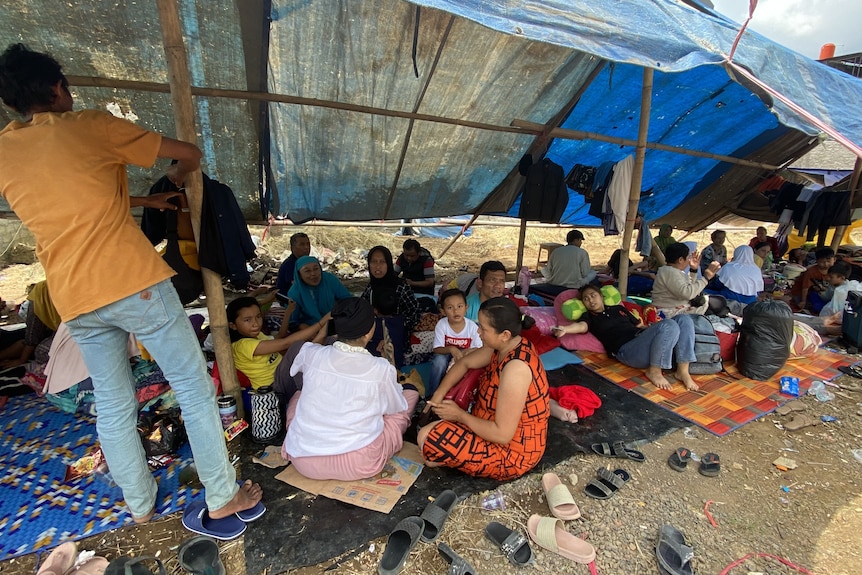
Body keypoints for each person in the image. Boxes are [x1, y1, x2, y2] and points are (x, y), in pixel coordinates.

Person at [0, 44, 260, 521]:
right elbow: (189, 153)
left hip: (73, 294)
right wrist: (173, 177)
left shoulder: (6, 148)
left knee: (113, 404)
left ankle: (139, 506)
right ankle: (222, 497)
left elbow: (75, 195)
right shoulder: (91, 126)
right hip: (130, 278)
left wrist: (142, 197)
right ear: (58, 88)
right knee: (192, 387)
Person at [280, 297, 421, 480]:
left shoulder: (310, 353)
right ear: (370, 332)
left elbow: (312, 349)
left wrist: (324, 332)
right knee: (408, 396)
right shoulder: (381, 367)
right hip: (358, 463)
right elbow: (393, 407)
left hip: (304, 460)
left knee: (299, 394)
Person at [417, 297, 549, 480]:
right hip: (485, 424)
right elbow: (464, 363)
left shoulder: (515, 369)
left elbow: (502, 435)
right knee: (428, 435)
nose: (478, 332)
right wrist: (438, 395)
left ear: (504, 334)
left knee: (426, 438)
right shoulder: (505, 347)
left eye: (483, 329)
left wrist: (460, 416)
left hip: (512, 453)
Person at [553, 284, 701, 391]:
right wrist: (565, 329)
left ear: (601, 296)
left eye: (593, 295)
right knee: (669, 325)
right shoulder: (590, 317)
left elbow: (640, 326)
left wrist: (659, 333)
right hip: (627, 350)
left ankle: (683, 370)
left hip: (642, 340)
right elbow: (581, 327)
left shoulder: (619, 309)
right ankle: (654, 371)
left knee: (684, 320)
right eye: (586, 299)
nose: (591, 300)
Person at [226, 296, 328, 392]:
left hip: (282, 374)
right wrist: (320, 323)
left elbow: (280, 337)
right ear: (233, 326)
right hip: (273, 385)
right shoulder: (243, 345)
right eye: (247, 320)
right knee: (297, 347)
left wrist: (288, 313)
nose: (255, 323)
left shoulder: (258, 336)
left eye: (258, 317)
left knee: (328, 342)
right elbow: (285, 343)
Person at [429, 289, 483, 398]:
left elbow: (479, 349)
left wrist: (465, 353)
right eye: (450, 307)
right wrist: (451, 349)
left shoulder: (472, 327)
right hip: (446, 353)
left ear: (466, 308)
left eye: (459, 306)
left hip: (465, 355)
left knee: (471, 367)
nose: (456, 311)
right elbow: (437, 349)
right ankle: (433, 393)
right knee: (438, 362)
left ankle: (460, 394)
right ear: (443, 311)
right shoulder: (442, 324)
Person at [0, 281, 60, 368]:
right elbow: (31, 336)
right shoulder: (42, 291)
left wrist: (22, 359)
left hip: (71, 335)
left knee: (40, 351)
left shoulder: (41, 291)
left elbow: (31, 336)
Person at [361, 245, 420, 334]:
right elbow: (362, 308)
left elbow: (415, 314)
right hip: (372, 335)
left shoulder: (400, 287)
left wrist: (395, 326)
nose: (377, 266)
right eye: (373, 261)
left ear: (388, 264)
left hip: (397, 336)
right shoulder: (371, 287)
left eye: (382, 262)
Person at [651, 242, 720, 317]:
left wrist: (693, 270)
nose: (689, 260)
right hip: (669, 311)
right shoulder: (669, 272)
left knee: (717, 302)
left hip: (676, 308)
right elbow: (688, 294)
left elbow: (688, 287)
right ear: (680, 260)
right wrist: (706, 278)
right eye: (688, 258)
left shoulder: (672, 271)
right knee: (718, 303)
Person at [287, 255, 351, 329]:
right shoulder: (294, 292)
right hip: (311, 329)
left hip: (336, 323)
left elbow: (347, 301)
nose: (313, 274)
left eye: (316, 269)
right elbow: (292, 321)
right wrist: (303, 327)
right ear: (299, 275)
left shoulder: (329, 280)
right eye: (307, 271)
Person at [792, 247, 835, 312]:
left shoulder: (835, 270)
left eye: (828, 261)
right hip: (803, 293)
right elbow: (805, 287)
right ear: (817, 261)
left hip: (822, 293)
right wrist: (803, 301)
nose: (826, 264)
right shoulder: (811, 272)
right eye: (822, 262)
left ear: (834, 259)